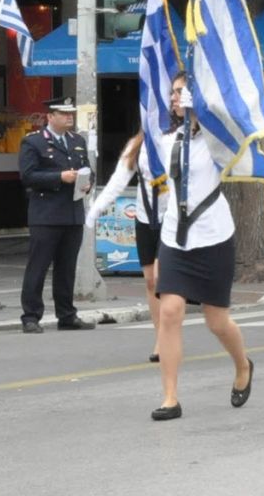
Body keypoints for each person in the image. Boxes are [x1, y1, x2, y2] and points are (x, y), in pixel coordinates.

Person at [151, 73, 253, 421]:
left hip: (213, 235)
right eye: (173, 93)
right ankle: (170, 397)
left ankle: (242, 365)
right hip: (176, 237)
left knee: (216, 321)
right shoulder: (167, 138)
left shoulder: (214, 141)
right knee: (170, 312)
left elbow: (237, 135)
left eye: (181, 92)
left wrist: (204, 115)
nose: (175, 98)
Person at [86, 131, 169, 360]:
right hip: (144, 218)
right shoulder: (137, 143)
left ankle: (165, 340)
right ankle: (160, 335)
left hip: (171, 219)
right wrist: (96, 208)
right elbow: (118, 180)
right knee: (151, 281)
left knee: (162, 279)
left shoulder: (179, 139)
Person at [17, 97, 96, 334]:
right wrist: (59, 177)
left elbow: (87, 170)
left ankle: (66, 315)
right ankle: (31, 316)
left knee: (67, 268)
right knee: (38, 267)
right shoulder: (34, 142)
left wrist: (87, 183)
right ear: (50, 117)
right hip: (46, 214)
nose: (69, 117)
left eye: (71, 113)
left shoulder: (77, 141)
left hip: (72, 213)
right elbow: (28, 176)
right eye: (63, 114)